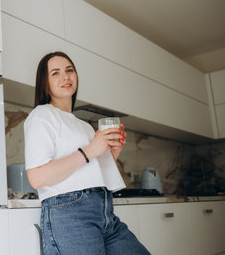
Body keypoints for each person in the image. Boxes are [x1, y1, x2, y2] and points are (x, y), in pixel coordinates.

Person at [24, 51, 150, 255]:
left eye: (69, 70)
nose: (65, 76)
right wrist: (90, 150)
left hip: (105, 212)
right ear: (44, 83)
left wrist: (111, 154)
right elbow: (37, 177)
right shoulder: (42, 115)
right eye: (55, 73)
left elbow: (91, 170)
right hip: (70, 215)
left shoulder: (85, 126)